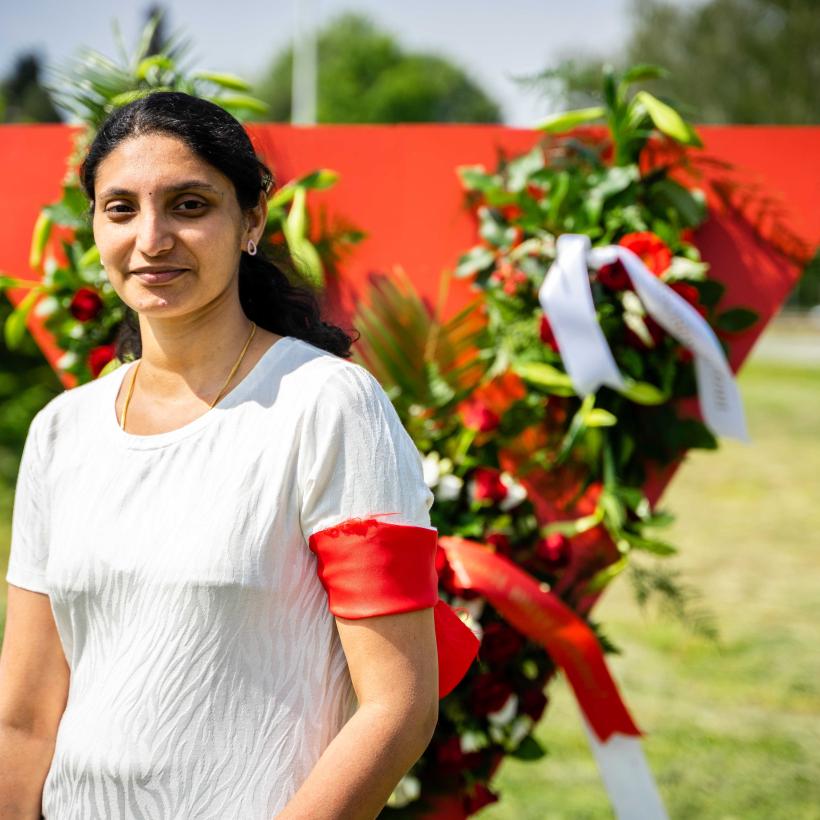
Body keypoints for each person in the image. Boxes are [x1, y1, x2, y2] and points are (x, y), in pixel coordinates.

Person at [0, 91, 477, 819]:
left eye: (189, 206)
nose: (151, 239)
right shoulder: (63, 430)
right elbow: (25, 720)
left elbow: (399, 706)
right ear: (92, 223)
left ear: (251, 219)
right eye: (120, 208)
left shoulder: (328, 407)